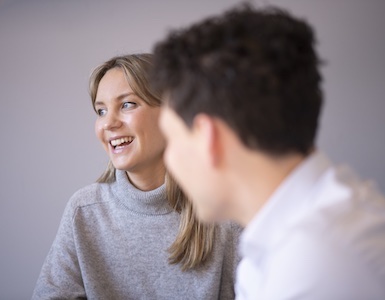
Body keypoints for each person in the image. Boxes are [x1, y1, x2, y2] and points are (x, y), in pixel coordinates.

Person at [150, 5, 385, 300]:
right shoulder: (292, 242)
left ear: (208, 137)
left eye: (172, 138)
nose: (169, 159)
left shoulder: (317, 265)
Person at [32, 54, 241, 299]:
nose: (108, 123)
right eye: (101, 110)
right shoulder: (85, 210)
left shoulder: (225, 212)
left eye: (127, 104)